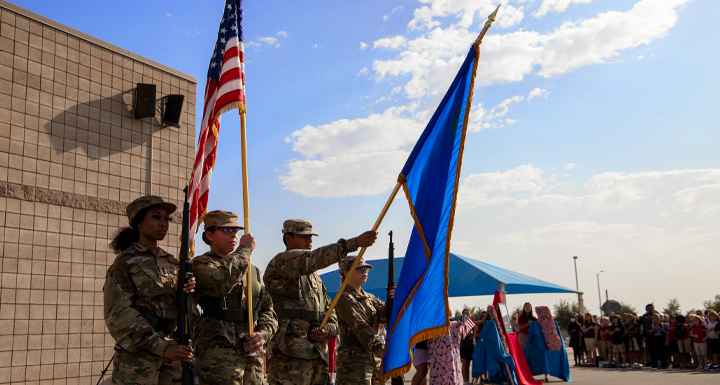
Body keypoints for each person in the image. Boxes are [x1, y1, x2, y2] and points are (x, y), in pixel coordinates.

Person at [264, 218, 378, 385]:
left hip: (317, 355)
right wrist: (351, 244)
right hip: (289, 354)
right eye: (303, 236)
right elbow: (312, 259)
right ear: (288, 238)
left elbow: (330, 313)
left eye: (311, 236)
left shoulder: (315, 280)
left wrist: (327, 329)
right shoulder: (281, 262)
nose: (309, 240)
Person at [104, 196, 196, 384]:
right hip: (140, 355)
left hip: (174, 350)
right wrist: (160, 347)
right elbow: (119, 312)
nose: (164, 223)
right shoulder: (125, 262)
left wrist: (188, 290)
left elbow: (184, 308)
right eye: (156, 217)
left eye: (167, 219)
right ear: (138, 222)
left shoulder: (171, 262)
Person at [192, 210, 278, 384]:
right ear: (210, 235)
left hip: (252, 354)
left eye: (235, 231)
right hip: (219, 353)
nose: (233, 235)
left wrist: (263, 334)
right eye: (226, 230)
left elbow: (267, 308)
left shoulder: (251, 270)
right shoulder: (202, 264)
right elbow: (220, 283)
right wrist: (244, 249)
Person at [334, 255, 395, 385]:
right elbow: (360, 326)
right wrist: (382, 350)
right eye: (360, 269)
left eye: (366, 269)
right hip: (354, 362)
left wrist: (393, 300)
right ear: (346, 272)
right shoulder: (344, 298)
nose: (365, 272)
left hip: (373, 360)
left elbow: (384, 316)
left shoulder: (370, 297)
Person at [459, 309, 475, 384]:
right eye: (465, 314)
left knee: (468, 364)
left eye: (468, 314)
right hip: (464, 345)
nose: (467, 315)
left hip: (470, 345)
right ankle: (465, 381)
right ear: (462, 315)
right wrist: (467, 333)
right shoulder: (461, 323)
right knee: (464, 364)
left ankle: (468, 381)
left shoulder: (472, 323)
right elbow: (461, 335)